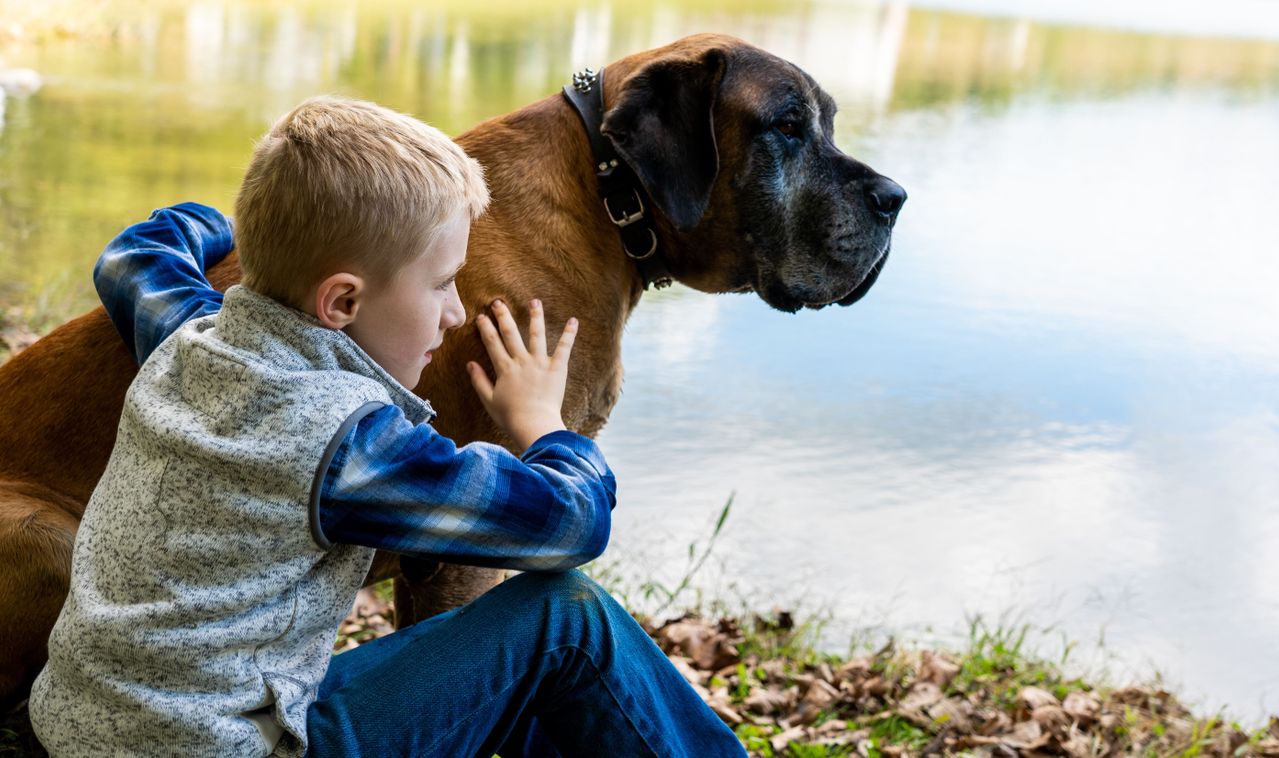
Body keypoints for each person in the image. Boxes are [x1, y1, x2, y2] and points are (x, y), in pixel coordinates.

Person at [28, 96, 744, 757]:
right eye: (441, 285)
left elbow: (138, 254)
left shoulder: (191, 338)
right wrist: (541, 426)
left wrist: (271, 229)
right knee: (567, 621)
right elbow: (570, 526)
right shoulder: (344, 445)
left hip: (86, 726)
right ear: (342, 302)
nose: (457, 313)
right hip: (226, 747)